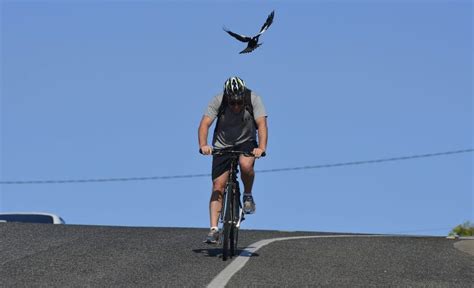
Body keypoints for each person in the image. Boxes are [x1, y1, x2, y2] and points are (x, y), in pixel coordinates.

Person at [198, 76, 268, 244]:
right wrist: (203, 145)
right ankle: (214, 229)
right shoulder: (218, 100)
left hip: (246, 142)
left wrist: (262, 148)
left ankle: (248, 195)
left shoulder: (254, 99)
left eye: (239, 103)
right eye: (232, 103)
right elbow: (204, 125)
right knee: (217, 186)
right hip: (222, 145)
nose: (236, 106)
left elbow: (262, 125)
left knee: (245, 165)